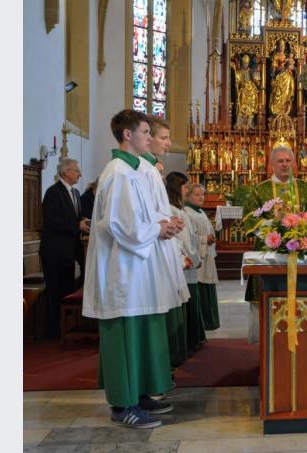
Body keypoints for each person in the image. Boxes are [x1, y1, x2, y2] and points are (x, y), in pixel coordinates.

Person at [82, 109, 177, 428]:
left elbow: (145, 214)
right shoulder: (119, 172)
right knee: (125, 330)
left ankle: (137, 394)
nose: (150, 138)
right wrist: (158, 229)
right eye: (145, 132)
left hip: (138, 264)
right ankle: (123, 405)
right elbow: (122, 224)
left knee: (139, 326)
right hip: (122, 268)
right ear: (127, 135)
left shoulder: (133, 171)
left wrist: (163, 223)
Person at [139, 117, 191, 370]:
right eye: (164, 138)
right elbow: (131, 221)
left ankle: (163, 366)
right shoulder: (137, 171)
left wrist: (168, 221)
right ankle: (157, 370)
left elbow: (152, 212)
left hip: (159, 246)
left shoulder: (150, 169)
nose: (169, 144)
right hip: (147, 255)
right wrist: (163, 225)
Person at [39, 158, 89, 338]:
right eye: (76, 170)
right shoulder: (53, 192)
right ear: (66, 172)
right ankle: (51, 332)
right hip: (54, 251)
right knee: (55, 291)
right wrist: (77, 226)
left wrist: (83, 221)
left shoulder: (75, 192)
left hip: (69, 250)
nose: (80, 174)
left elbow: (76, 216)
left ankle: (66, 328)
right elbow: (52, 221)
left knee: (67, 288)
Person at [166, 171, 199, 366]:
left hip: (186, 259)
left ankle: (186, 344)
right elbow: (184, 239)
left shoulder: (180, 209)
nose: (187, 189)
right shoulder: (174, 210)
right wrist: (191, 256)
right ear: (176, 187)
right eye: (185, 186)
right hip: (180, 261)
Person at [185, 184, 221, 332]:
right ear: (188, 196)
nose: (201, 197)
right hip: (198, 257)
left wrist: (209, 238)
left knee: (208, 288)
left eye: (202, 195)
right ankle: (204, 322)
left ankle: (210, 322)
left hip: (206, 256)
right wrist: (205, 239)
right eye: (197, 195)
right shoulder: (187, 213)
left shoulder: (200, 212)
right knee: (201, 288)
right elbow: (188, 237)